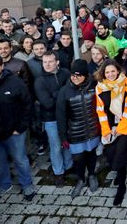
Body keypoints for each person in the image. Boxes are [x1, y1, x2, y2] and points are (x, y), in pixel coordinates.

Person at [0, 55, 36, 204]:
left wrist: (21, 127)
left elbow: (27, 105)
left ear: (1, 66)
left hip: (14, 132)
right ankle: (5, 184)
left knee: (20, 160)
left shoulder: (15, 83)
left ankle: (27, 185)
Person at [56, 59, 101, 198]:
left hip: (93, 130)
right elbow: (61, 115)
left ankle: (92, 175)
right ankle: (81, 179)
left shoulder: (94, 86)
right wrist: (63, 136)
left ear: (86, 75)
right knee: (78, 159)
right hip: (75, 133)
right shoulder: (64, 91)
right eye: (73, 75)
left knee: (92, 154)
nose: (75, 78)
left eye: (78, 75)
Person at [95, 59, 127, 205]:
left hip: (124, 126)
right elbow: (100, 111)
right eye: (107, 72)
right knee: (111, 154)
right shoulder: (100, 87)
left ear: (118, 70)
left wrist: (120, 130)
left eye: (113, 71)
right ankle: (119, 172)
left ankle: (122, 186)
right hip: (109, 127)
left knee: (121, 155)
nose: (111, 74)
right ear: (103, 73)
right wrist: (106, 130)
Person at [34, 51, 73, 187]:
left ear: (57, 62)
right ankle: (58, 172)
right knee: (56, 147)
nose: (47, 64)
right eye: (44, 62)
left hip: (68, 115)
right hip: (51, 119)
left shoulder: (66, 73)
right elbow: (48, 103)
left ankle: (69, 166)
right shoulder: (40, 80)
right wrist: (62, 91)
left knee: (68, 143)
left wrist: (56, 94)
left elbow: (72, 92)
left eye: (50, 61)